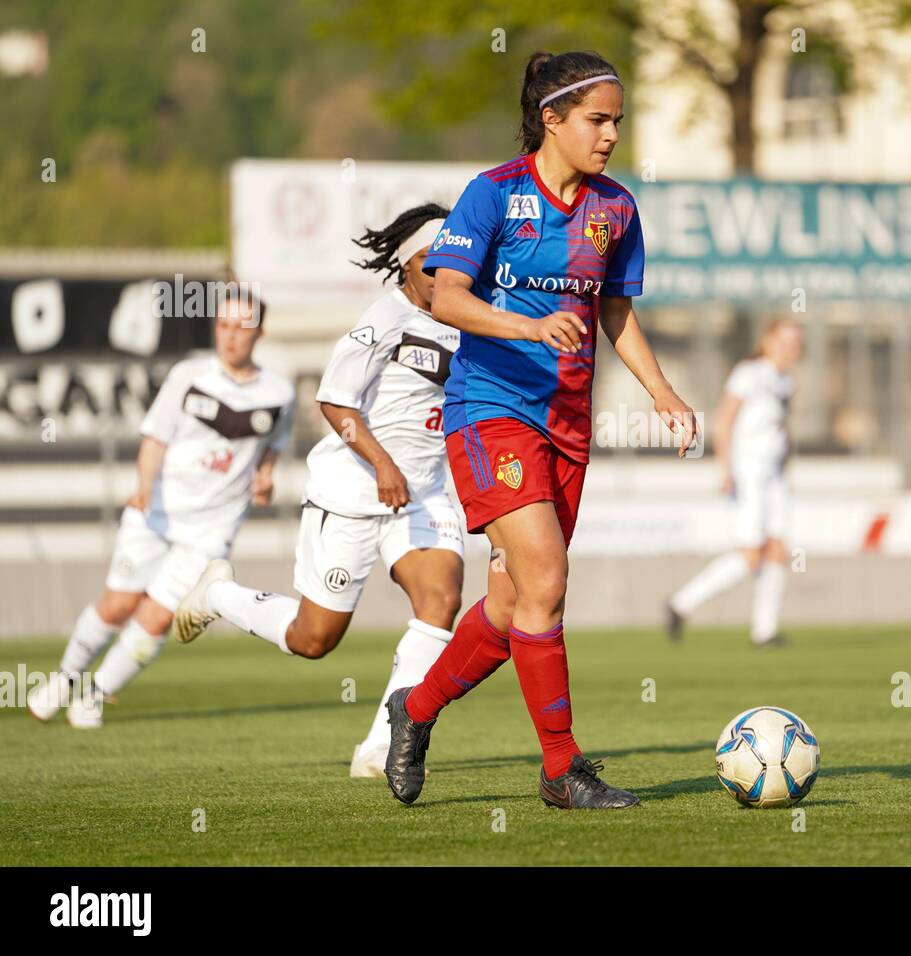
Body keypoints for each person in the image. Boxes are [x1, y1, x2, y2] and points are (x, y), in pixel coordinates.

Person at [382, 50, 698, 809]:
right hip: (489, 412)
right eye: (598, 118)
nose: (612, 134)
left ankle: (415, 710)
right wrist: (528, 328)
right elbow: (446, 297)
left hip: (568, 426)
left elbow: (615, 311)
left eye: (618, 119)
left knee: (510, 608)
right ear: (551, 119)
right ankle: (562, 770)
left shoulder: (616, 209)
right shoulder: (492, 195)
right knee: (549, 586)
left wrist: (663, 391)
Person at [169, 204, 466, 779]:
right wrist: (382, 464)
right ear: (407, 266)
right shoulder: (383, 319)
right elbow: (334, 400)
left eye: (452, 261)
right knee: (314, 639)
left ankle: (382, 745)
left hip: (424, 493)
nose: (444, 273)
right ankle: (218, 595)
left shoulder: (467, 313)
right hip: (354, 490)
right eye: (432, 263)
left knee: (442, 602)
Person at [28, 290, 294, 727]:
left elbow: (272, 447)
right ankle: (66, 677)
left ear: (259, 332)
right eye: (223, 325)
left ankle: (95, 695)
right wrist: (144, 487)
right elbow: (154, 438)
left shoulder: (278, 392)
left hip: (211, 529)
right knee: (117, 605)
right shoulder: (189, 375)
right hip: (157, 513)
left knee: (158, 617)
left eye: (241, 327)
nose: (229, 337)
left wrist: (265, 477)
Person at [666, 319, 803, 647]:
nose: (790, 349)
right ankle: (682, 603)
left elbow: (781, 427)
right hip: (749, 471)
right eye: (784, 341)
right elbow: (724, 419)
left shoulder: (785, 381)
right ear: (768, 340)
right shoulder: (749, 373)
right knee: (751, 553)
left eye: (796, 343)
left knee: (778, 550)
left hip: (774, 475)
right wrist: (726, 468)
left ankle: (765, 631)